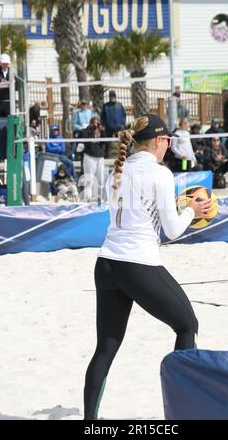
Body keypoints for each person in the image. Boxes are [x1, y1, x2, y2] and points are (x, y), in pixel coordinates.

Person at [83, 113, 213, 420]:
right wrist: (192, 210)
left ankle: (89, 423)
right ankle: (183, 412)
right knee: (187, 326)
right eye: (168, 140)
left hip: (106, 264)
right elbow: (172, 230)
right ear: (159, 141)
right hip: (137, 264)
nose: (169, 146)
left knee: (106, 347)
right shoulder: (160, 174)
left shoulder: (116, 171)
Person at [78, 117, 105, 202]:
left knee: (101, 179)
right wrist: (91, 129)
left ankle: (100, 197)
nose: (96, 126)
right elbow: (85, 140)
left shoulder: (100, 131)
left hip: (100, 157)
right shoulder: (86, 131)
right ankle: (87, 198)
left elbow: (104, 142)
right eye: (94, 124)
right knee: (89, 180)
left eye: (97, 124)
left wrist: (102, 131)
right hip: (90, 157)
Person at [101, 90, 126, 158]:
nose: (112, 97)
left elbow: (124, 115)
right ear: (109, 97)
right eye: (111, 96)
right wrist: (103, 125)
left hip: (118, 127)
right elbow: (102, 116)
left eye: (113, 96)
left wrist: (123, 124)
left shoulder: (119, 105)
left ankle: (123, 155)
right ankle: (106, 156)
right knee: (107, 142)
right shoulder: (105, 106)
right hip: (108, 128)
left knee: (121, 142)